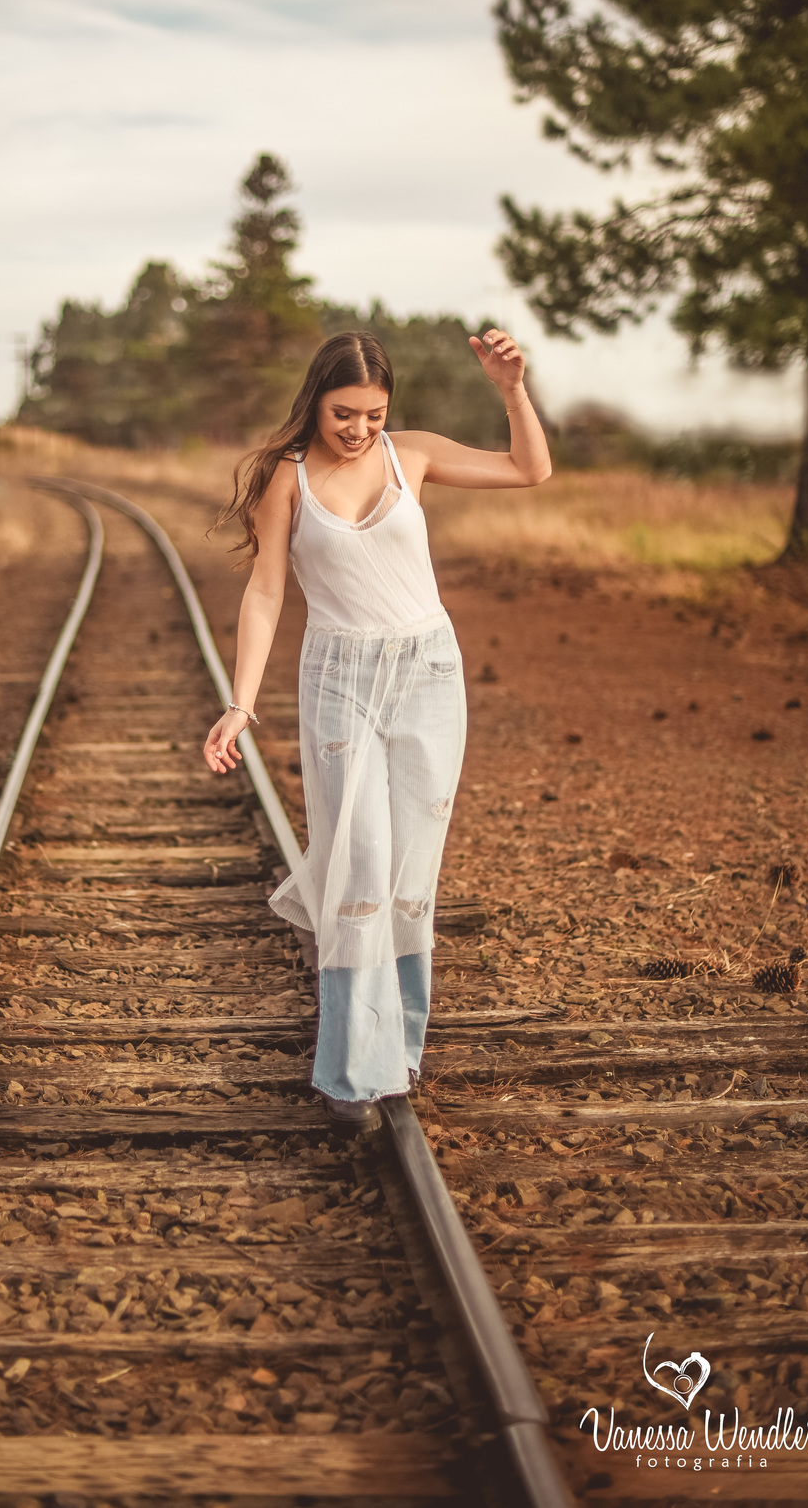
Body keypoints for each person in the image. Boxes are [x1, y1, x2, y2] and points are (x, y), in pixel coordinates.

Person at [203, 329, 551, 1135]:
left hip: (429, 674)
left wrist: (511, 389)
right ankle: (353, 1073)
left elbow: (529, 470)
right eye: (342, 413)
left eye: (372, 414)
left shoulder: (412, 455)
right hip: (339, 679)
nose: (358, 429)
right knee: (356, 864)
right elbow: (264, 594)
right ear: (315, 402)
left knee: (409, 875)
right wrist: (241, 704)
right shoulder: (288, 479)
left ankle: (399, 1050)